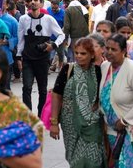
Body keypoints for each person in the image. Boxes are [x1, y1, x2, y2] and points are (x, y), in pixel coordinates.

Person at [49, 37, 105, 168]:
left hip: (92, 123)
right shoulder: (68, 69)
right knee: (75, 159)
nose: (79, 56)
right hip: (70, 123)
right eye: (77, 53)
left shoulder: (98, 71)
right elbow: (57, 95)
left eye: (83, 53)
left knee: (93, 159)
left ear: (92, 55)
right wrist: (54, 123)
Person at [99, 34, 133, 168]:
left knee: (128, 165)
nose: (109, 52)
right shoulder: (105, 66)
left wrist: (125, 120)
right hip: (112, 130)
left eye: (114, 49)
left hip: (130, 130)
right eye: (107, 48)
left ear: (124, 51)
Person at [17, 0, 65, 115]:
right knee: (26, 87)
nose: (33, 2)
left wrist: (53, 45)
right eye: (31, 0)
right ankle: (28, 116)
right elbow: (21, 39)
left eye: (36, 0)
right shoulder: (23, 19)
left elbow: (61, 35)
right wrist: (18, 56)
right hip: (27, 58)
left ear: (41, 4)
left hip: (42, 59)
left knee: (42, 89)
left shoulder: (48, 19)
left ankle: (41, 114)